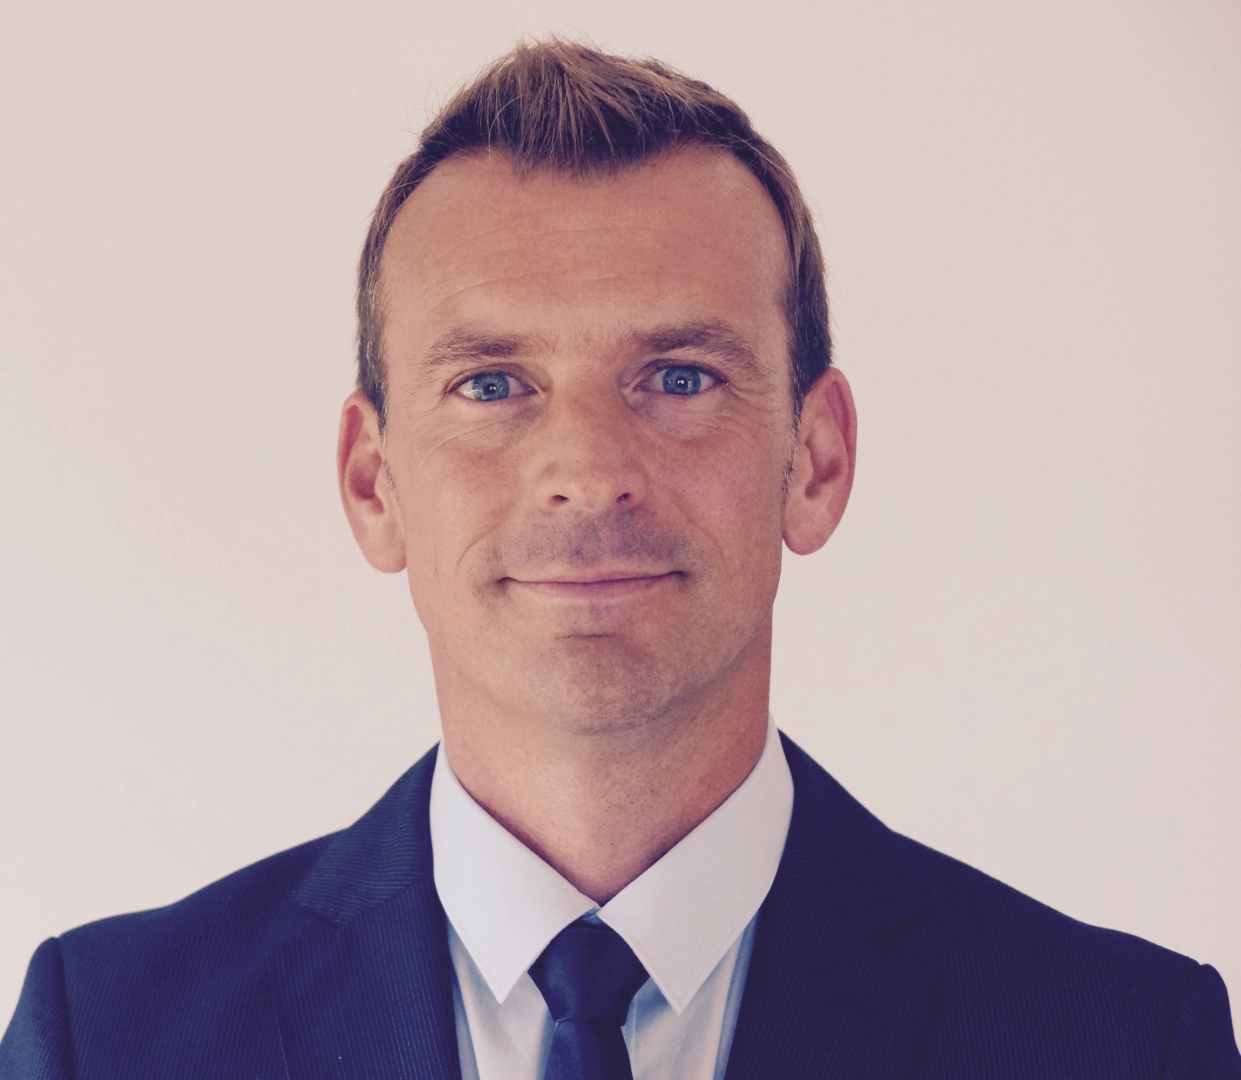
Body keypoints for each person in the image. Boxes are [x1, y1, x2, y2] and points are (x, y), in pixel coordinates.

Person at [1, 38, 1237, 1080]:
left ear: (814, 461)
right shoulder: (107, 1038)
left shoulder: (1127, 1044)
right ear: (373, 485)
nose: (587, 470)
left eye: (679, 378)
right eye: (492, 384)